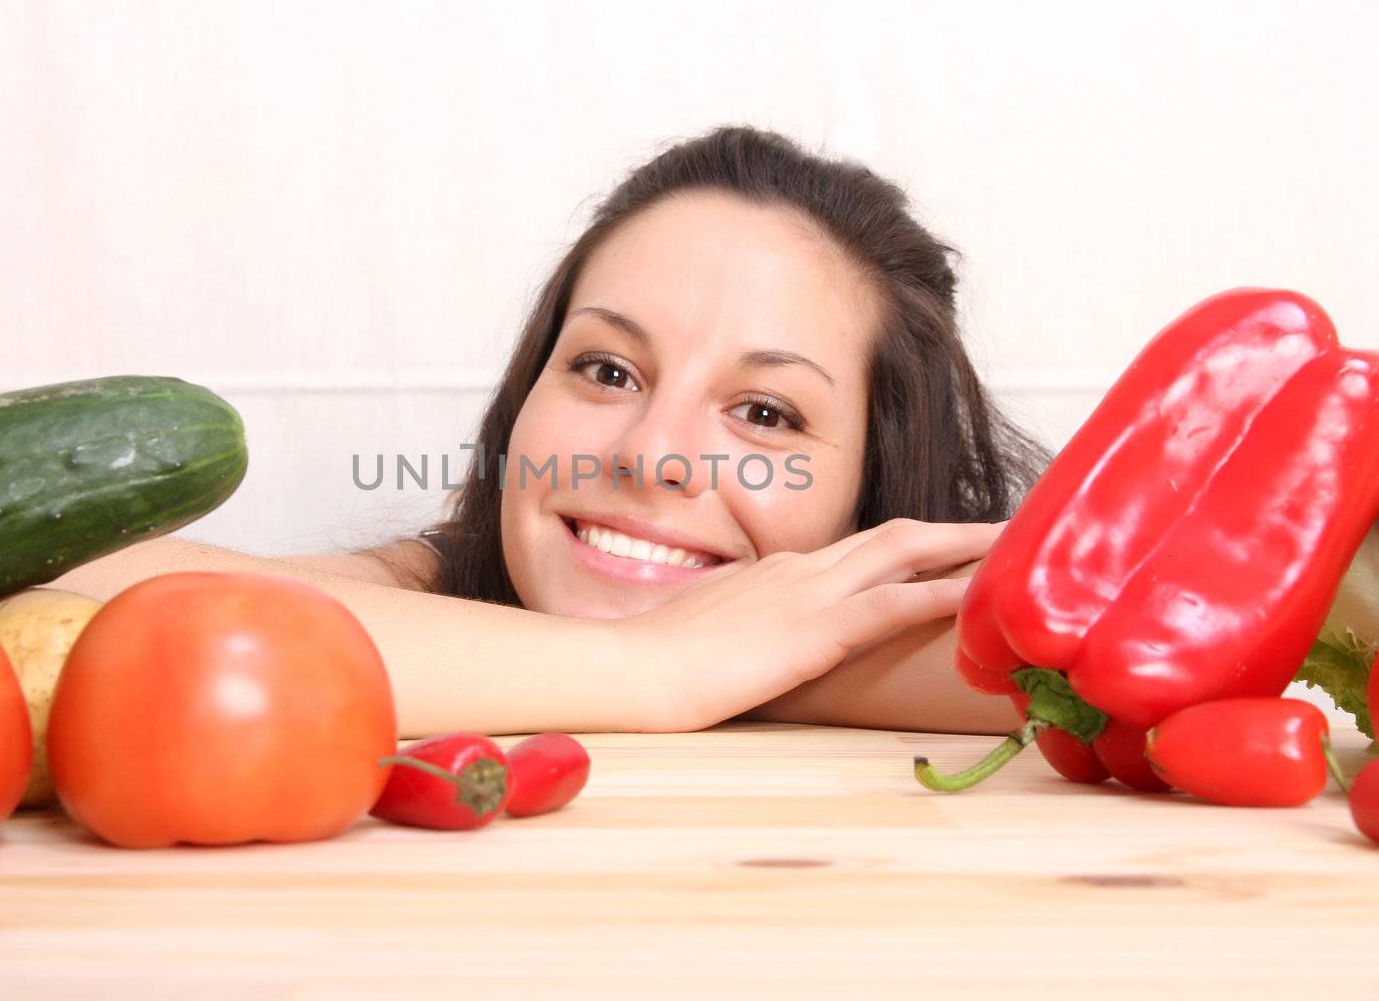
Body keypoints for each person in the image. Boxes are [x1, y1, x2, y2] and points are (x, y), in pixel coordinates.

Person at [51, 125, 1050, 739]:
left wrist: (770, 658)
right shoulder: (428, 585)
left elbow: (1156, 666)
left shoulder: (846, 643)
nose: (649, 453)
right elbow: (58, 596)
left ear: (873, 488)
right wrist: (659, 667)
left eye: (764, 413)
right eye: (606, 369)